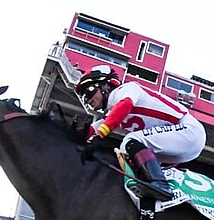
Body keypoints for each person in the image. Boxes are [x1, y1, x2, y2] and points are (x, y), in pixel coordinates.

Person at [74, 64, 206, 201]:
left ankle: (161, 186)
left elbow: (124, 106)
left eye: (89, 91)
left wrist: (99, 135)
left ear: (106, 86)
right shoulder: (114, 112)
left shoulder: (127, 89)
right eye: (84, 97)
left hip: (189, 131)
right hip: (182, 146)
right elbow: (95, 127)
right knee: (127, 152)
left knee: (130, 141)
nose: (87, 100)